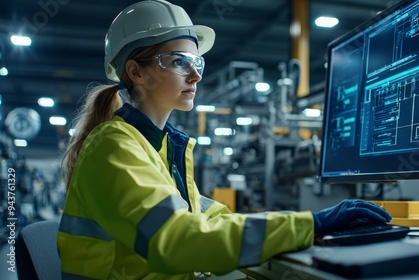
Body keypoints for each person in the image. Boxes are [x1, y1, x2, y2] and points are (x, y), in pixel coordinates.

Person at [57, 1, 392, 279]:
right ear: (136, 71)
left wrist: (309, 224)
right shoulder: (114, 146)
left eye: (196, 62)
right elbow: (176, 241)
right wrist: (310, 224)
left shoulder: (160, 147)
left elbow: (214, 219)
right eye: (178, 62)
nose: (196, 75)